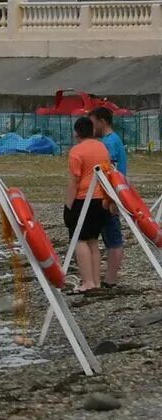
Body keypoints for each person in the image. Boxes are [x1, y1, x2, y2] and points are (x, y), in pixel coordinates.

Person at [64, 115, 113, 294]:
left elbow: (75, 180)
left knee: (79, 240)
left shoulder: (76, 151)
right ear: (92, 130)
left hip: (83, 199)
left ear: (77, 132)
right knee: (93, 240)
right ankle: (96, 281)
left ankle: (87, 281)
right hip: (101, 199)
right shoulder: (102, 147)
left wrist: (68, 205)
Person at [91, 105, 128, 286]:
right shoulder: (113, 140)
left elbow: (109, 172)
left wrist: (110, 199)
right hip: (110, 194)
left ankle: (110, 279)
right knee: (108, 235)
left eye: (93, 123)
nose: (92, 128)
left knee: (113, 237)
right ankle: (107, 277)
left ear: (102, 122)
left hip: (110, 194)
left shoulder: (109, 142)